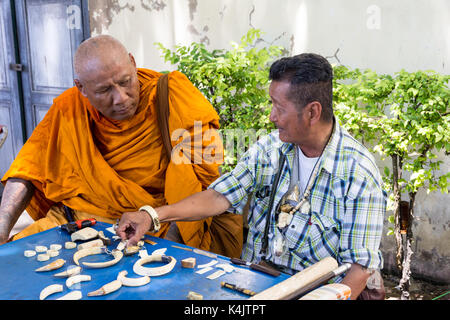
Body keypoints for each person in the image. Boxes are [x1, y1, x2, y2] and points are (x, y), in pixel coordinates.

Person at [118, 53, 386, 299]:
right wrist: (152, 216)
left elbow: (359, 268)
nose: (271, 116)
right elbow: (219, 196)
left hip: (313, 293)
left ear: (312, 112)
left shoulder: (357, 173)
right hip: (253, 285)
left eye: (279, 108)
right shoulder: (270, 148)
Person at [0, 35, 243, 258]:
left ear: (133, 63)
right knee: (15, 264)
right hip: (78, 224)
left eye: (126, 81)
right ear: (81, 87)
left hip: (155, 228)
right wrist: (2, 228)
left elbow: (203, 184)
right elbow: (28, 170)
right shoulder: (68, 109)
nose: (121, 98)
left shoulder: (173, 97)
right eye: (104, 90)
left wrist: (170, 251)